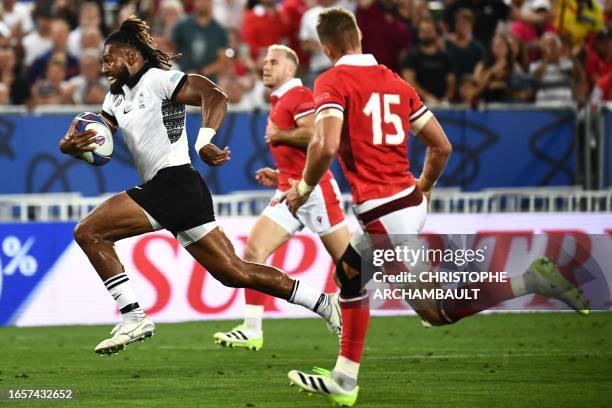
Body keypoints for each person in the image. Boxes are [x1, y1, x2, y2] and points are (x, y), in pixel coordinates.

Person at [282, 8, 588, 406]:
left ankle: (532, 281)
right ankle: (344, 377)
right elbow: (441, 145)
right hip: (403, 201)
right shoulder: (395, 81)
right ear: (359, 35)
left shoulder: (332, 80)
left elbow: (324, 144)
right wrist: (423, 185)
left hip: (386, 211)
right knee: (350, 278)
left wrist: (304, 187)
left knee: (435, 311)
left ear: (326, 48)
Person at [58, 16, 341, 356]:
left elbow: (214, 95)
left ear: (130, 57)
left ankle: (133, 316)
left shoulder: (159, 80)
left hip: (174, 182)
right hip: (178, 191)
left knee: (89, 231)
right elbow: (97, 139)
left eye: (108, 59)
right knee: (234, 272)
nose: (103, 66)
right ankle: (325, 303)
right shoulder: (115, 98)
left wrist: (204, 140)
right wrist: (69, 146)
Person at [213, 44, 350, 351]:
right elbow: (301, 151)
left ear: (290, 69)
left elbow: (317, 135)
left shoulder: (299, 97)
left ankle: (353, 322)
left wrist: (281, 136)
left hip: (314, 191)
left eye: (273, 62)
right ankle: (252, 328)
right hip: (288, 190)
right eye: (264, 61)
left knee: (348, 266)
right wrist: (279, 174)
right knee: (253, 250)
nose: (265, 66)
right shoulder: (281, 101)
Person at [401, 18, 455, 105]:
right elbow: (409, 80)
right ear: (419, 34)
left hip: (442, 103)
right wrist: (426, 96)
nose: (426, 34)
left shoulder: (445, 56)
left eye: (429, 30)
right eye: (423, 31)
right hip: (419, 104)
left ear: (435, 32)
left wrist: (446, 99)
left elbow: (451, 81)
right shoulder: (412, 56)